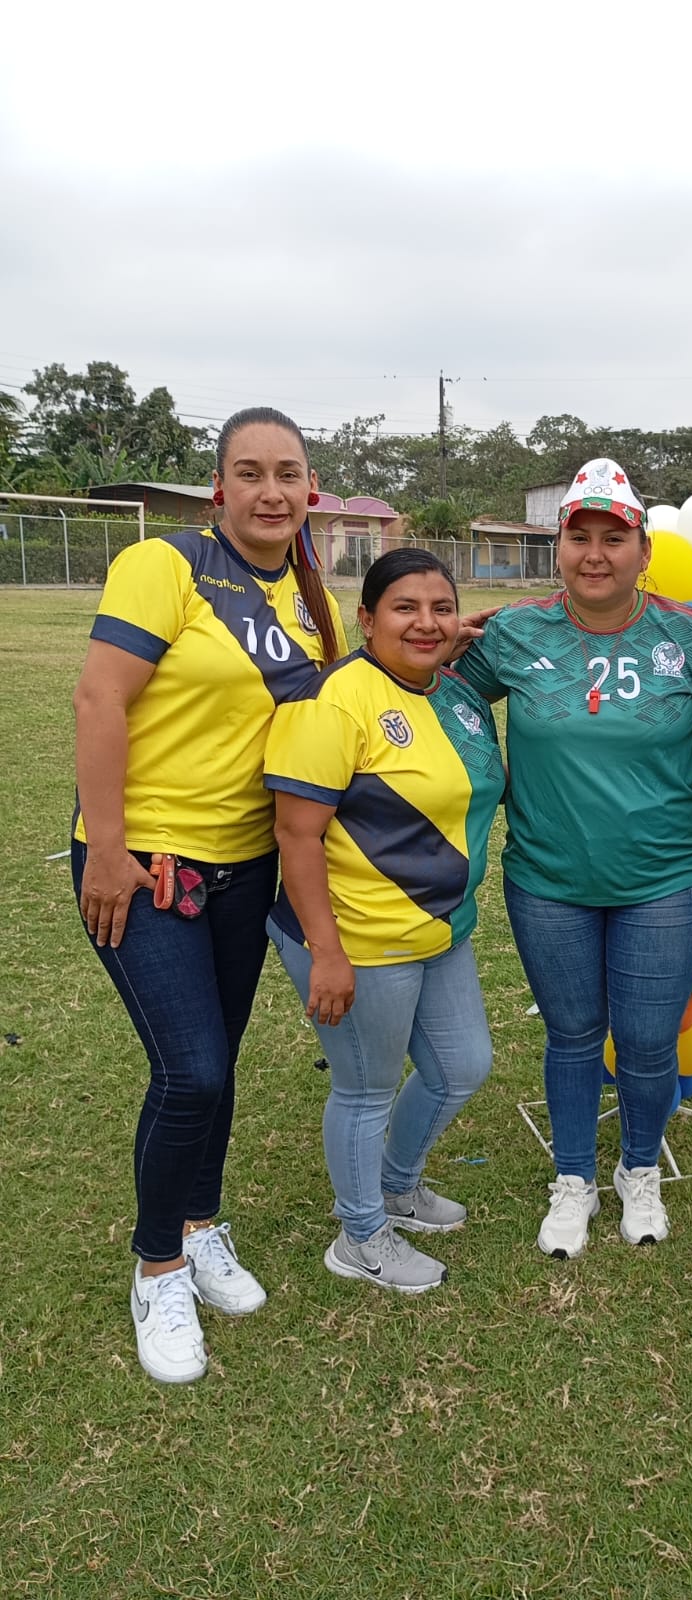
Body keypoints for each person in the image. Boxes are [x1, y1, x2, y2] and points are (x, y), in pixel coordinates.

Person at [72, 407, 347, 1384]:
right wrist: (108, 851)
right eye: (250, 472)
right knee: (188, 1071)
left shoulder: (314, 599)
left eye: (288, 473)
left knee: (218, 1065)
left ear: (310, 490)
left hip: (245, 868)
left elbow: (341, 711)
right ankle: (158, 1270)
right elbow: (100, 697)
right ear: (218, 487)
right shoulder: (167, 565)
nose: (271, 491)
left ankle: (199, 1226)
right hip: (147, 865)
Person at [455, 459, 692, 1258]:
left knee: (647, 1040)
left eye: (614, 538)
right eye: (579, 537)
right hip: (549, 879)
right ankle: (572, 1179)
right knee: (572, 1035)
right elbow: (438, 695)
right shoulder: (514, 633)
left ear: (644, 550)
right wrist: (432, 637)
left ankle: (639, 1168)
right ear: (558, 548)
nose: (595, 554)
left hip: (664, 878)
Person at [264, 550, 506, 1294]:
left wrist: (442, 645)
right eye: (405, 608)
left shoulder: (454, 693)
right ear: (366, 619)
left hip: (440, 928)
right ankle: (361, 1235)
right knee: (365, 1088)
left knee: (462, 1067)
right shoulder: (331, 701)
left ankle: (397, 1187)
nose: (425, 623)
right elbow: (297, 835)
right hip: (358, 939)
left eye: (441, 608)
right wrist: (327, 953)